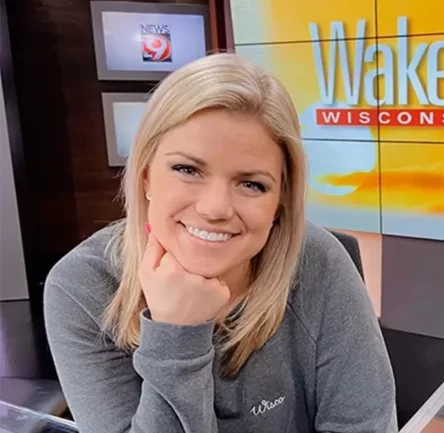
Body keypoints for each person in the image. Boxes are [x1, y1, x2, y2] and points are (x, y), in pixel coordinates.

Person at [43, 53, 398, 433]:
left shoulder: (317, 260)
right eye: (187, 169)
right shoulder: (82, 286)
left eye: (251, 184)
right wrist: (177, 334)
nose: (215, 208)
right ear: (145, 176)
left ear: (280, 201)